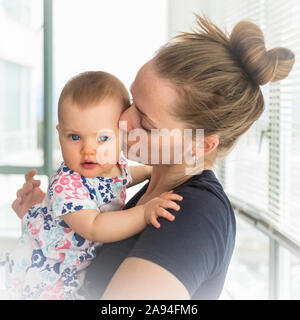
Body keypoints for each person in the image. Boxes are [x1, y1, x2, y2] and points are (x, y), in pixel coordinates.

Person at [12, 15, 295, 300]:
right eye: (133, 102)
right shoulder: (148, 186)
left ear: (199, 146)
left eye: (146, 123)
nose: (123, 120)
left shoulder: (196, 215)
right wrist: (49, 219)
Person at [0, 71, 182, 300]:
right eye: (75, 137)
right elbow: (94, 226)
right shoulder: (65, 183)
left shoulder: (112, 165)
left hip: (79, 264)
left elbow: (120, 179)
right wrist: (144, 213)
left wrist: (149, 171)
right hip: (52, 269)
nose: (88, 150)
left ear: (122, 135)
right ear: (60, 135)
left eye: (103, 138)